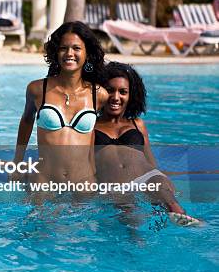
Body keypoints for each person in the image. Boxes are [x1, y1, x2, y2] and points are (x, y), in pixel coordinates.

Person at [94, 62, 201, 226]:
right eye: (110, 90)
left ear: (131, 96)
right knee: (133, 224)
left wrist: (163, 181)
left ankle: (192, 229)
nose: (116, 97)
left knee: (173, 207)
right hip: (115, 184)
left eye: (123, 92)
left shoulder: (138, 124)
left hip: (147, 177)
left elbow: (150, 161)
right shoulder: (91, 125)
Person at [15, 21, 108, 191]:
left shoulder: (99, 94)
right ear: (56, 52)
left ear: (87, 53)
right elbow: (27, 122)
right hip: (44, 181)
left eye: (76, 48)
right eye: (63, 48)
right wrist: (17, 163)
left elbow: (105, 130)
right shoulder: (37, 89)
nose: (69, 53)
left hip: (84, 183)